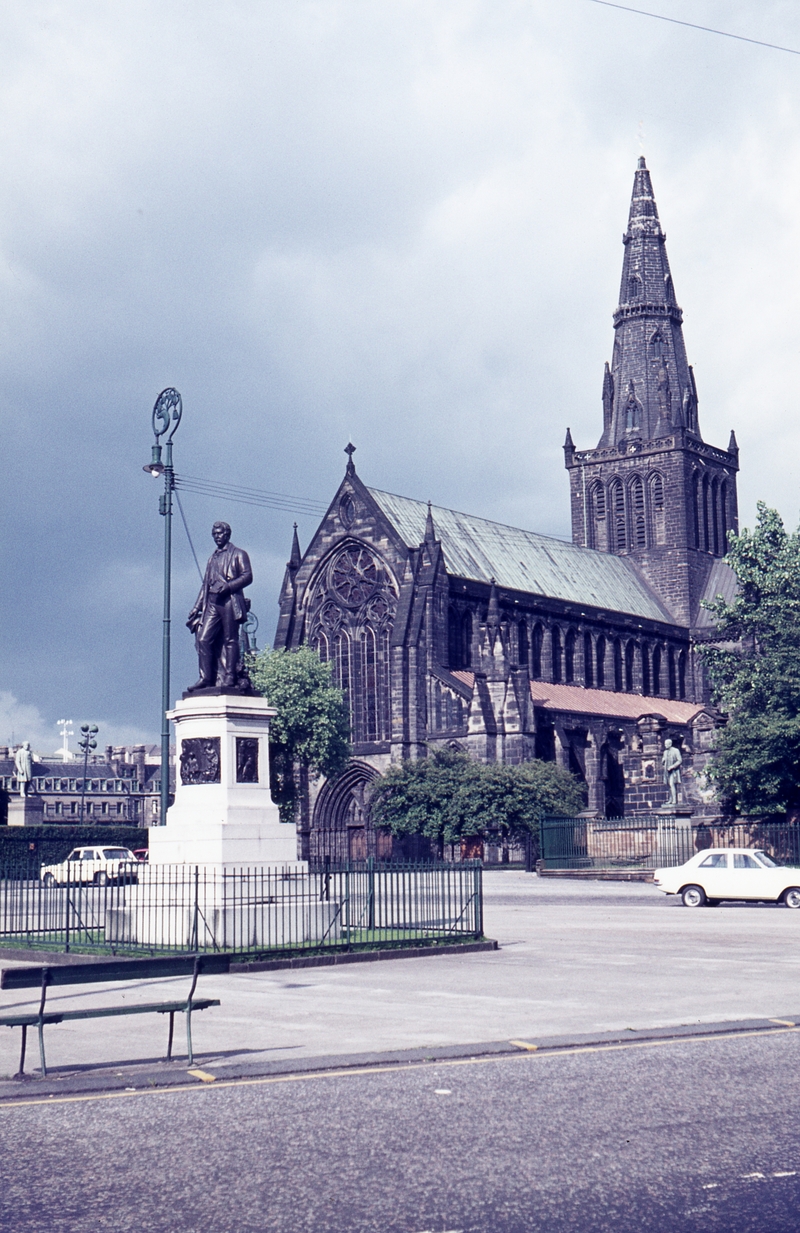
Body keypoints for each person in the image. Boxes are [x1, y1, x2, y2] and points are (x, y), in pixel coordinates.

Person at [187, 522, 253, 691]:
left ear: (227, 534)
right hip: (213, 603)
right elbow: (205, 585)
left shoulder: (239, 554)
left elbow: (247, 576)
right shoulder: (212, 558)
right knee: (203, 638)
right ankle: (206, 677)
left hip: (230, 600)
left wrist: (229, 586)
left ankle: (230, 675)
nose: (217, 537)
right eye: (214, 534)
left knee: (231, 639)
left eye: (219, 533)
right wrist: (197, 607)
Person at [662, 738, 683, 807]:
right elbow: (663, 761)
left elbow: (679, 760)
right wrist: (663, 761)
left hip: (673, 771)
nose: (665, 745)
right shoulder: (665, 752)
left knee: (672, 784)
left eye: (666, 744)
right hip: (666, 771)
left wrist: (672, 766)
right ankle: (670, 799)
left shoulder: (676, 750)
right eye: (664, 744)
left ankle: (674, 800)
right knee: (668, 785)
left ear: (670, 744)